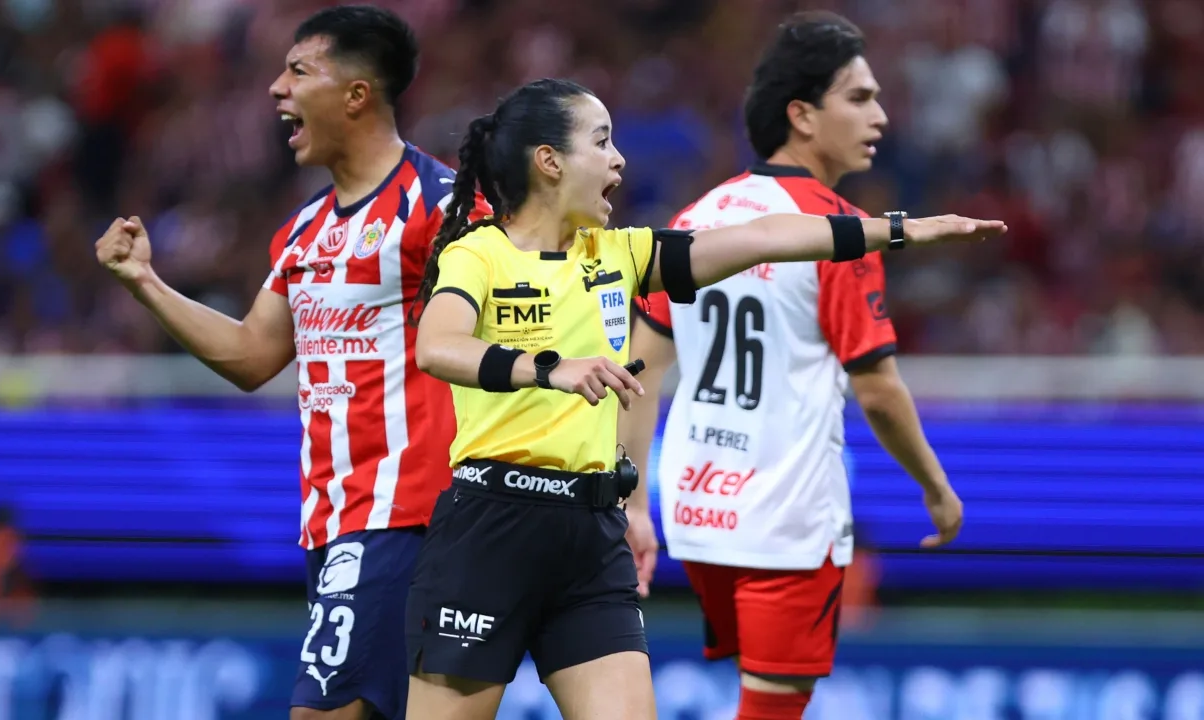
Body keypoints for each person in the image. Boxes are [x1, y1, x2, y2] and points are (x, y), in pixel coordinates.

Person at [403, 77, 1003, 720]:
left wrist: (901, 230)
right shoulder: (480, 254)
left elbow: (765, 237)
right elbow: (437, 346)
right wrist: (549, 369)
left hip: (591, 539)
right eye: (601, 142)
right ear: (549, 161)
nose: (618, 160)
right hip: (492, 528)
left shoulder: (622, 255)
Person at [94, 6, 486, 720]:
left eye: (299, 71)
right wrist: (145, 282)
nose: (277, 89)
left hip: (407, 514)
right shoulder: (304, 231)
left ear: (357, 94)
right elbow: (252, 355)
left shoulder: (444, 208)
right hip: (331, 519)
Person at [621, 12, 965, 720]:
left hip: (697, 512)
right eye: (860, 98)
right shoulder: (840, 232)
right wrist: (936, 488)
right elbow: (877, 391)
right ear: (802, 115)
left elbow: (639, 367)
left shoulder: (696, 218)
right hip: (788, 520)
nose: (880, 116)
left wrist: (631, 503)